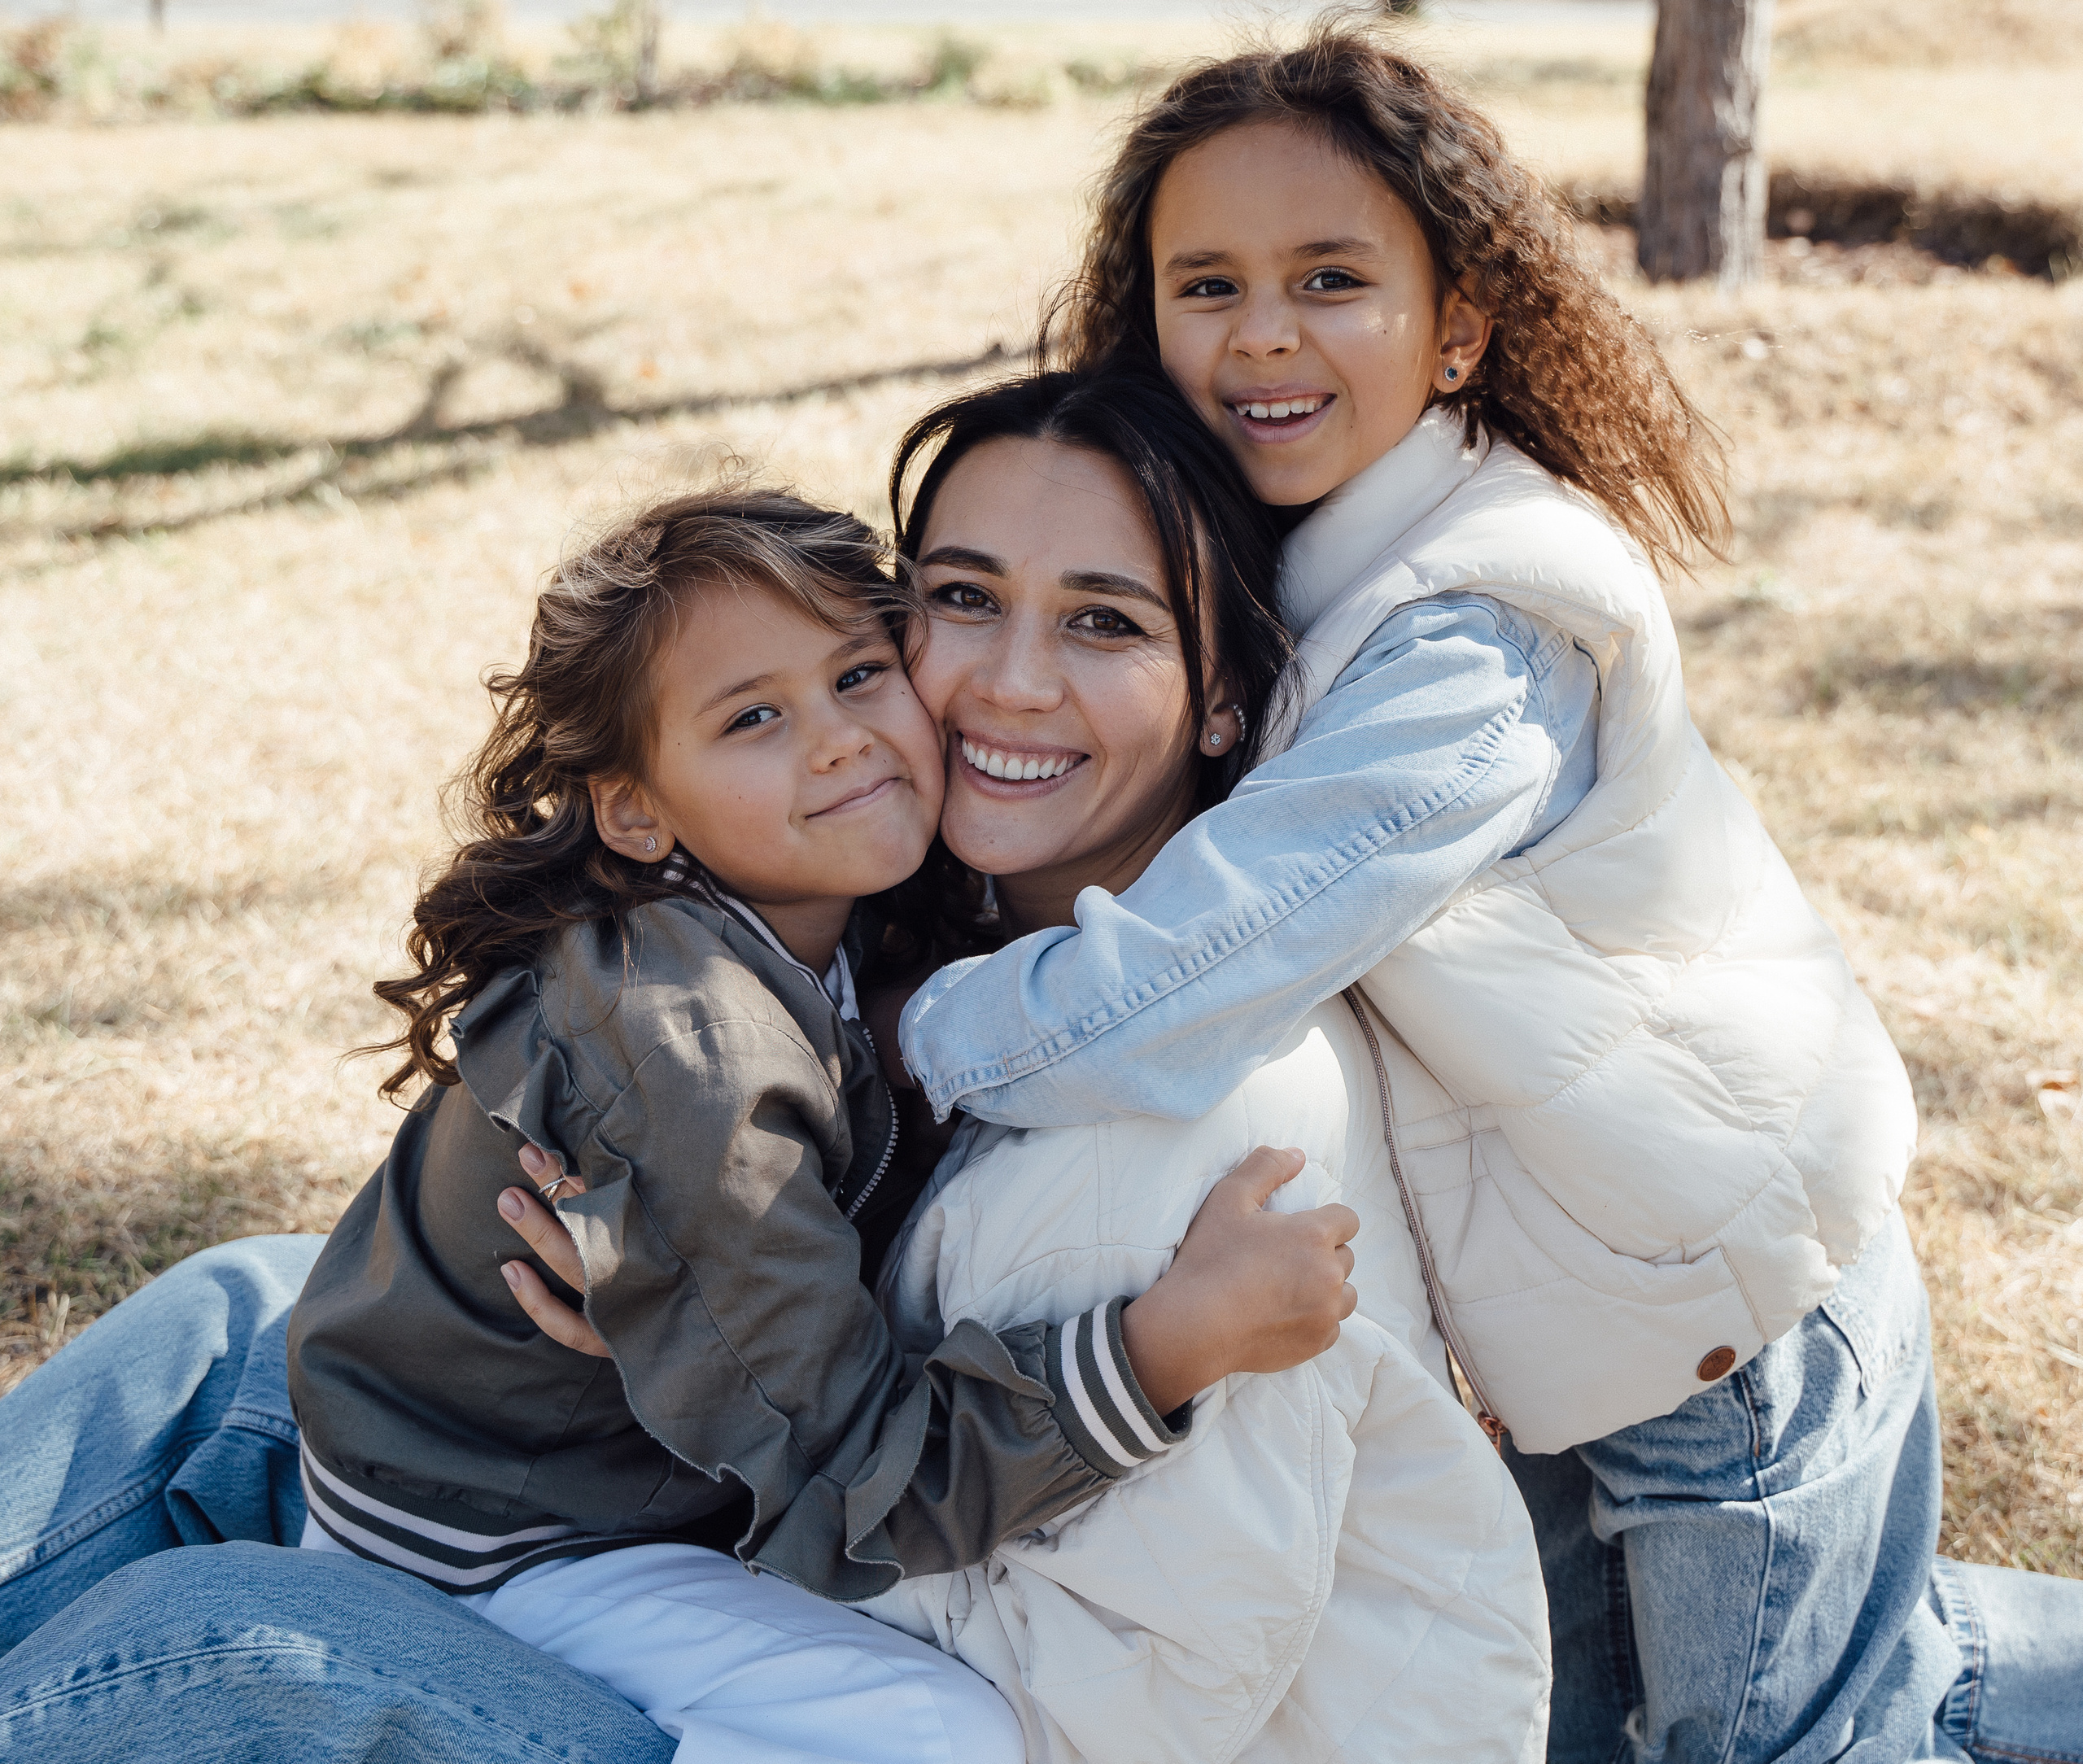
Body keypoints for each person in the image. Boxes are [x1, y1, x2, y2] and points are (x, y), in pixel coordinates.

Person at [884, 23, 2083, 1764]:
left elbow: (1192, 967)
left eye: (1329, 279)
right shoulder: (1268, 546)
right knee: (1619, 1717)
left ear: (1457, 327)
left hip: (1714, 1317)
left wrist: (893, 1045)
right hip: (1555, 1307)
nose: (1263, 332)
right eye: (1205, 282)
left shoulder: (1477, 631)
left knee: (1780, 1737)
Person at [509, 369, 1552, 1762]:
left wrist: (706, 1408)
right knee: (228, 1325)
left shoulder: (1196, 1120)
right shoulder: (909, 965)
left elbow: (1109, 1705)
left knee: (230, 1620)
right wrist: (709, 1303)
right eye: (960, 598)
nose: (1008, 681)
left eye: (1105, 622)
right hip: (796, 1589)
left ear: (1225, 700)